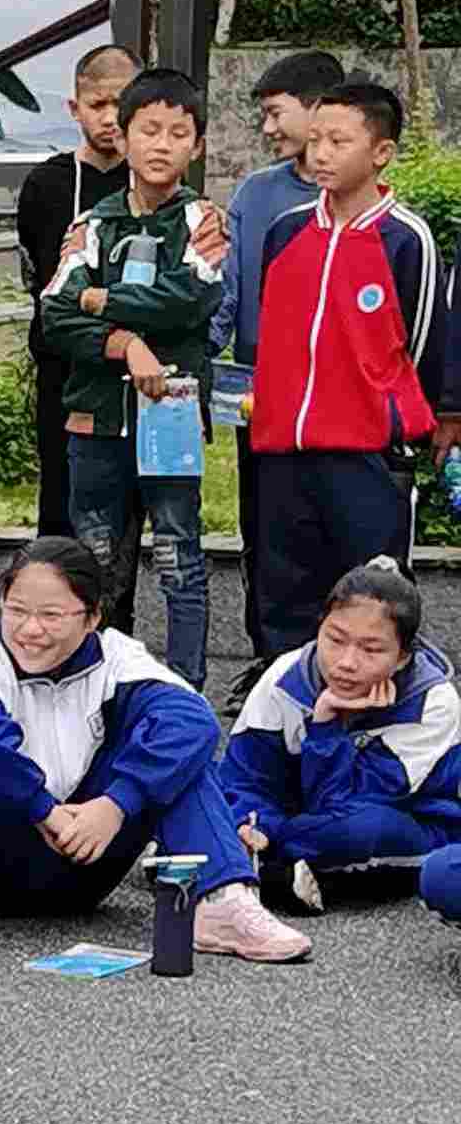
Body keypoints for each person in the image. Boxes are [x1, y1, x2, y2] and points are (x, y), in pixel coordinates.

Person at [0, 537, 313, 973]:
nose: (30, 630)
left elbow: (194, 721)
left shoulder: (119, 657)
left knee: (182, 759)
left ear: (93, 615)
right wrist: (42, 809)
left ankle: (223, 900)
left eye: (51, 615)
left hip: (85, 863)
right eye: (16, 611)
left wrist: (117, 803)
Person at [249, 80, 459, 658]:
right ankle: (285, 709)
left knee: (375, 592)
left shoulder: (405, 239)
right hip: (283, 450)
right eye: (314, 139)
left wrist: (401, 422)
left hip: (366, 454)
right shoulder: (287, 230)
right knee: (283, 591)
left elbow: (420, 347)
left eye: (339, 141)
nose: (320, 153)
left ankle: (381, 711)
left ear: (381, 153)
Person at [40, 65, 222, 691]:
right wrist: (126, 343)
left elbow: (192, 298)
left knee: (178, 559)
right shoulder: (92, 224)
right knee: (93, 563)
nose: (161, 144)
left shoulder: (205, 223)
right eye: (149, 129)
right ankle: (92, 685)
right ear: (124, 134)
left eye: (178, 133)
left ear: (196, 145)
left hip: (171, 415)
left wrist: (100, 299)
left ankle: (187, 690)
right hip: (95, 417)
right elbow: (55, 316)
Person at [214, 50, 349, 692]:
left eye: (275, 113)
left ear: (318, 106)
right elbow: (231, 297)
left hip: (340, 407)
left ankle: (341, 665)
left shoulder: (356, 197)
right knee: (263, 534)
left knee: (334, 534)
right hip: (259, 398)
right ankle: (273, 667)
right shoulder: (256, 194)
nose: (268, 129)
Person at [221, 557, 461, 913]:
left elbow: (340, 807)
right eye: (335, 639)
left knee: (358, 831)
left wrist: (327, 724)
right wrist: (252, 823)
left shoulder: (432, 703)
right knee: (196, 781)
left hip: (401, 824)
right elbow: (245, 776)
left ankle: (241, 863)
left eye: (371, 649)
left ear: (402, 657)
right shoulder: (284, 676)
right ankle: (265, 863)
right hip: (298, 817)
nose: (346, 662)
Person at [17, 44, 141, 545]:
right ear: (75, 108)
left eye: (121, 104)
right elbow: (41, 283)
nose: (110, 118)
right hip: (63, 376)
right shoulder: (46, 184)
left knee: (127, 525)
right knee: (61, 514)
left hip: (137, 375)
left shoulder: (153, 181)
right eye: (98, 105)